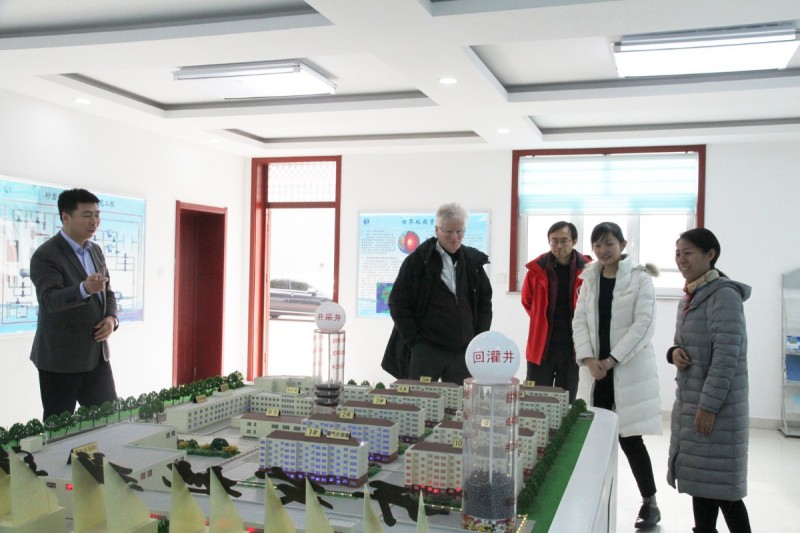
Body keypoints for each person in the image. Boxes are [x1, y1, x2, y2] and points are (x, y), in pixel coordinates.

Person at [572, 221, 662, 529]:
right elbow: (579, 321)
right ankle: (591, 497)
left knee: (630, 439)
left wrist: (611, 360)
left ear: (622, 245)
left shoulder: (640, 278)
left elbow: (644, 325)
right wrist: (588, 359)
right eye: (597, 245)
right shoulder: (589, 278)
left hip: (626, 369)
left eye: (609, 243)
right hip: (595, 371)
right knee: (593, 435)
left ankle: (650, 503)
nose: (603, 250)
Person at [667, 228, 751, 533]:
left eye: (688, 253)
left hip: (717, 409)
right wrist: (674, 353)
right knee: (701, 484)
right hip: (693, 403)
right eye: (678, 253)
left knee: (724, 491)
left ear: (710, 254)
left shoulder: (724, 296)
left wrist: (708, 406)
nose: (681, 259)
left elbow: (727, 357)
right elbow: (682, 342)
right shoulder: (691, 296)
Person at [29, 188, 120, 421]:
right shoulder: (47, 254)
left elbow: (108, 292)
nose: (94, 222)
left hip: (96, 356)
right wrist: (83, 289)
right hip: (61, 360)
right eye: (87, 215)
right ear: (66, 217)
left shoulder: (95, 250)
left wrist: (111, 318)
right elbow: (49, 300)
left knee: (110, 420)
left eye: (97, 215)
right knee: (60, 429)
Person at [381, 202, 492, 385]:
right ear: (437, 230)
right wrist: (414, 341)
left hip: (462, 352)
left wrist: (478, 339)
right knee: (422, 399)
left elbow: (484, 303)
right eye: (449, 231)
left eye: (460, 231)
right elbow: (397, 302)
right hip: (426, 350)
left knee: (459, 400)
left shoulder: (473, 262)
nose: (455, 237)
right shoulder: (418, 261)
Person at [521, 221, 591, 402]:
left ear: (574, 241)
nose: (559, 246)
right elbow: (527, 301)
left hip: (572, 347)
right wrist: (541, 321)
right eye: (554, 241)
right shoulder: (537, 269)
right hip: (541, 345)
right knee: (535, 399)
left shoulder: (588, 270)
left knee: (565, 400)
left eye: (564, 240)